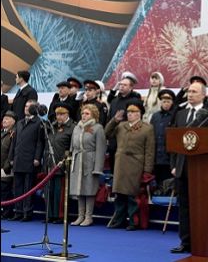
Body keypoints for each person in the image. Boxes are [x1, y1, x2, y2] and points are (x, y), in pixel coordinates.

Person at [105, 100, 155, 230]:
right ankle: (118, 220)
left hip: (136, 164)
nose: (130, 114)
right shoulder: (121, 126)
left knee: (133, 195)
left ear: (140, 113)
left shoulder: (147, 128)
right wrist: (114, 120)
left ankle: (134, 221)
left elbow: (150, 151)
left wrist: (147, 170)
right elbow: (106, 133)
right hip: (120, 163)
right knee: (119, 194)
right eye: (129, 112)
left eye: (133, 112)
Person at [170, 81, 206, 254]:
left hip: (201, 169)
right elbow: (174, 142)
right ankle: (185, 241)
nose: (190, 94)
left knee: (199, 208)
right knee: (183, 206)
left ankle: (200, 242)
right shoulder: (181, 114)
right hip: (182, 168)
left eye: (194, 92)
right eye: (189, 91)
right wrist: (174, 165)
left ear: (203, 95)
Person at [70, 104, 106, 226]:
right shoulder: (77, 127)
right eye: (83, 113)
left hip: (90, 160)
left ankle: (88, 216)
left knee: (89, 189)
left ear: (93, 115)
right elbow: (72, 146)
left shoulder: (98, 128)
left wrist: (98, 167)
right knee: (79, 190)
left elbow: (101, 149)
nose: (84, 116)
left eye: (87, 113)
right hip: (78, 159)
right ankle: (80, 215)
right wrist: (70, 161)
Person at [9, 100, 44, 221]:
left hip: (30, 160)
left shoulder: (39, 122)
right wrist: (11, 157)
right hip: (18, 159)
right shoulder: (19, 123)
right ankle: (18, 212)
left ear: (34, 108)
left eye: (29, 106)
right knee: (17, 187)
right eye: (25, 106)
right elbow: (14, 142)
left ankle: (26, 213)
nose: (26, 108)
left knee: (28, 188)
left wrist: (37, 158)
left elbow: (40, 142)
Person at [46, 102, 75, 223]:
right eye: (57, 114)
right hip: (50, 164)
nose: (59, 117)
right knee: (50, 191)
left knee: (60, 192)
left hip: (62, 165)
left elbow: (72, 147)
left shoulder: (72, 127)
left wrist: (64, 161)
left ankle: (60, 215)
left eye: (62, 114)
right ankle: (50, 214)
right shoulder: (52, 127)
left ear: (67, 114)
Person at [150, 89, 176, 184]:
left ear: (172, 102)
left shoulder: (175, 115)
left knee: (168, 183)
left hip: (169, 158)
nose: (166, 104)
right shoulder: (155, 116)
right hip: (156, 157)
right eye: (164, 101)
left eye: (168, 101)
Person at [1, 111, 17, 219]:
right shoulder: (2, 132)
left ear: (13, 121)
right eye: (4, 119)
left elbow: (12, 151)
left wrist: (6, 166)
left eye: (7, 119)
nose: (4, 121)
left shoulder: (13, 133)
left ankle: (7, 212)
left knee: (5, 190)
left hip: (6, 167)